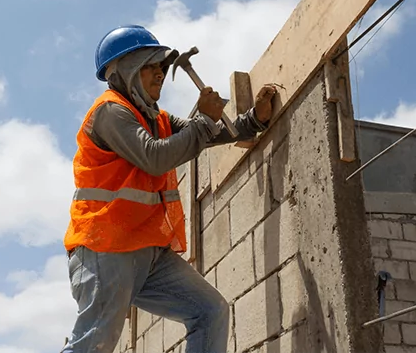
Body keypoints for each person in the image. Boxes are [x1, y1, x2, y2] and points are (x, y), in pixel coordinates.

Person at [61, 25, 277, 353]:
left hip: (149, 250)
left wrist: (252, 121)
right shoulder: (111, 112)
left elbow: (205, 133)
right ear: (124, 71)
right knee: (94, 344)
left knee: (209, 311)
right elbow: (154, 158)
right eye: (151, 65)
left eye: (162, 66)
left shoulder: (156, 118)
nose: (160, 72)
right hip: (106, 247)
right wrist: (205, 119)